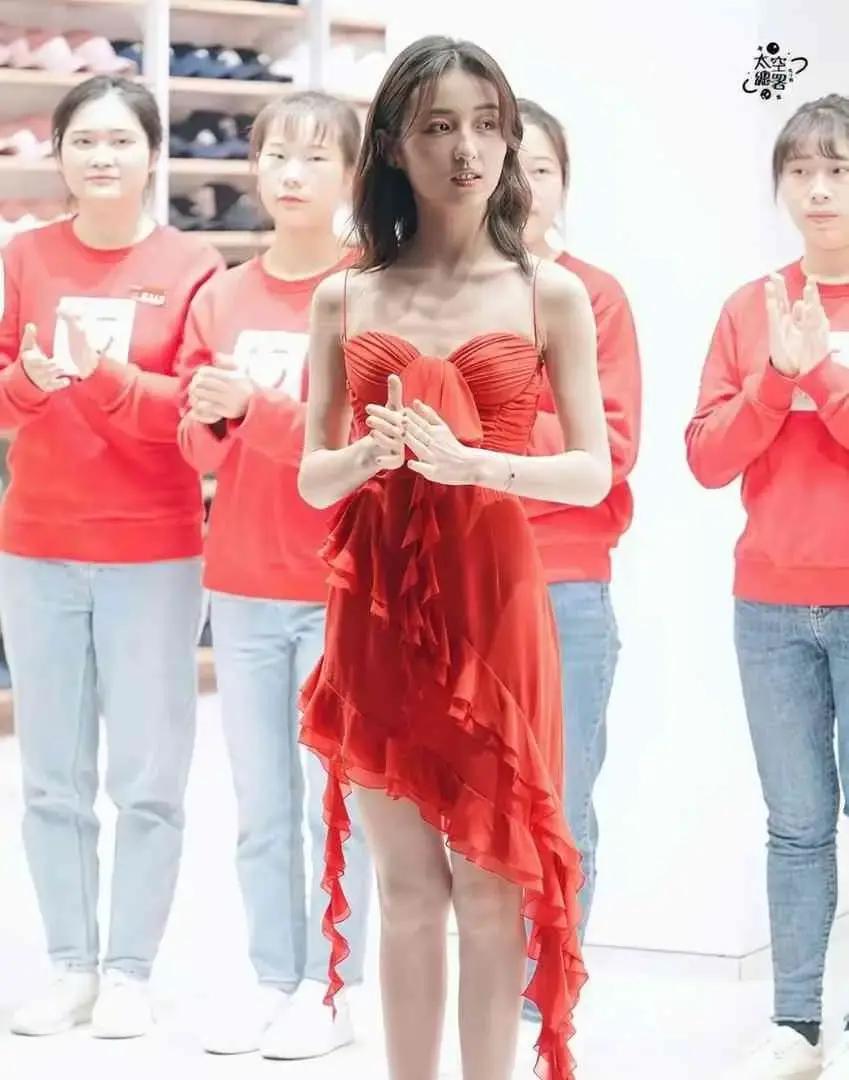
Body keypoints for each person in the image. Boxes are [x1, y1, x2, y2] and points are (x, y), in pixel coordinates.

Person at [297, 36, 612, 1080]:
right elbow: (311, 478)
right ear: (394, 144)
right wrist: (366, 456)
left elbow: (592, 472)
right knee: (405, 890)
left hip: (496, 602)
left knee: (489, 885)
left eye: (486, 125)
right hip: (375, 605)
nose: (467, 149)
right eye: (438, 127)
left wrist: (476, 464)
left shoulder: (547, 292)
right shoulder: (345, 296)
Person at [0, 76, 222, 1039]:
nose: (101, 157)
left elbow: (197, 414)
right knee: (50, 776)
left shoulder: (192, 262)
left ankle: (129, 968)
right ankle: (68, 965)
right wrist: (28, 383)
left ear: (152, 154)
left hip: (153, 551)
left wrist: (109, 379)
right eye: (83, 140)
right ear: (57, 153)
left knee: (148, 776)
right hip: (37, 547)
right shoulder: (25, 256)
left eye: (120, 141)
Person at [177, 91, 373, 1061]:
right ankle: (271, 977)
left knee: (336, 803)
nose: (290, 175)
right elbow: (197, 450)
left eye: (314, 157)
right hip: (243, 581)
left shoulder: (371, 290)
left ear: (351, 173)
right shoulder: (220, 294)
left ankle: (334, 988)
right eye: (274, 156)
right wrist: (214, 415)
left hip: (340, 584)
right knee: (260, 807)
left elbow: (361, 441)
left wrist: (254, 408)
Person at [686, 94, 849, 1080]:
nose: (818, 189)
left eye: (837, 169)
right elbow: (706, 458)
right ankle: (797, 1026)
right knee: (796, 826)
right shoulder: (750, 307)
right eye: (800, 170)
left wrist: (819, 373)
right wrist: (774, 379)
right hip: (771, 605)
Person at [517, 98, 641, 997]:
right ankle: (484, 993)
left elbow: (607, 451)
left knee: (560, 800)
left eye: (541, 168)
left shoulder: (593, 296)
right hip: (455, 581)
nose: (521, 184)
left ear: (565, 183)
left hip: (565, 583)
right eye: (505, 164)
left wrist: (484, 444)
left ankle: (545, 997)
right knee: (458, 805)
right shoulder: (430, 291)